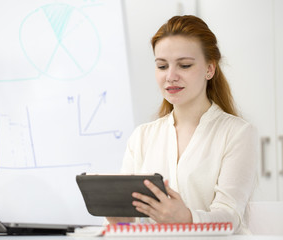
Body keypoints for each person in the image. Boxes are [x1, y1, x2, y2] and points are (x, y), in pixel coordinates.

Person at [106, 15, 258, 234]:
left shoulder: (237, 133)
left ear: (210, 69)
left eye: (184, 65)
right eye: (162, 66)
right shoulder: (142, 136)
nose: (170, 76)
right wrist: (120, 219)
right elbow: (133, 225)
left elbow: (230, 217)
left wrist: (186, 219)